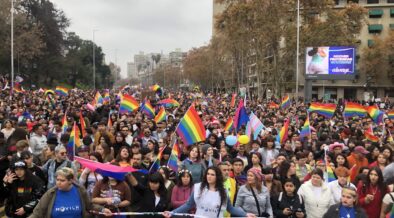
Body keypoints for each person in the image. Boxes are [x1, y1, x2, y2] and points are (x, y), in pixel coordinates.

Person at [164, 166, 255, 218]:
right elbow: (188, 205)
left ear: (217, 177)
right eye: (208, 174)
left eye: (212, 174)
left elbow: (230, 209)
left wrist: (245, 214)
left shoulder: (223, 191)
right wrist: (172, 213)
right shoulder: (198, 187)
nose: (209, 176)